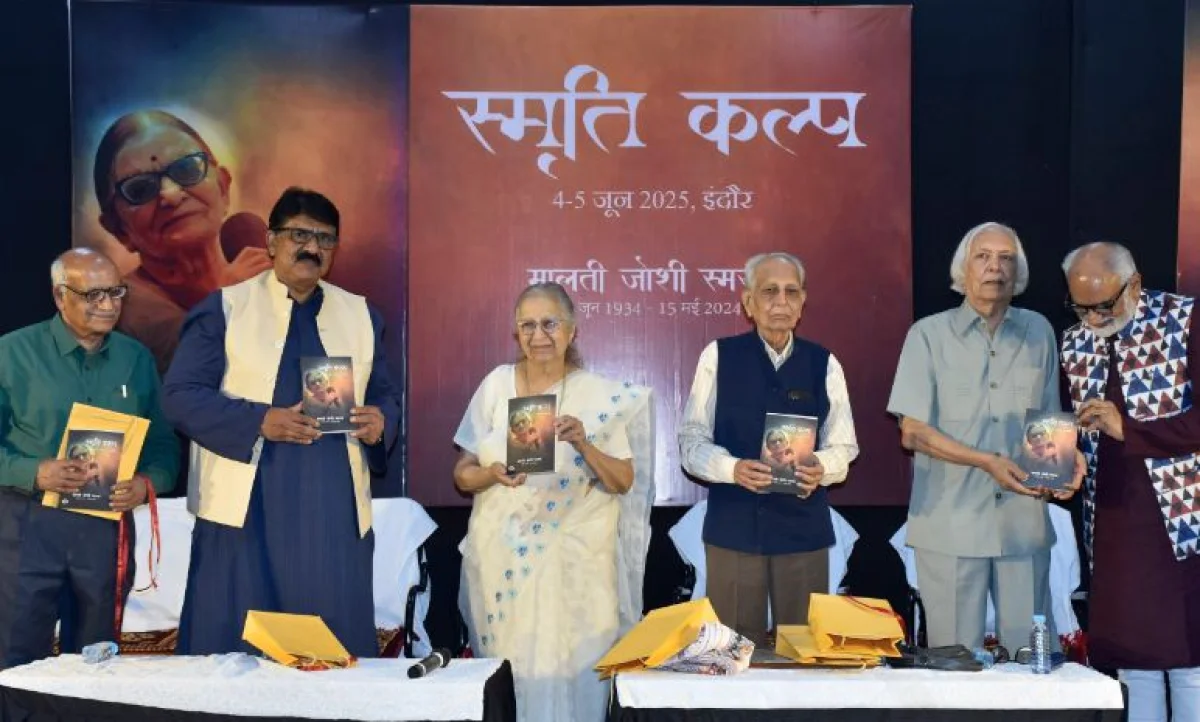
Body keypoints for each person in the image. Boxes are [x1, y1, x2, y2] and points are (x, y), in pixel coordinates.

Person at [162, 187, 401, 658]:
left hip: (331, 509)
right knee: (234, 648)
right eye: (299, 235)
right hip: (244, 508)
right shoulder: (224, 309)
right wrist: (259, 420)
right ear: (271, 241)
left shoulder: (360, 314)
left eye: (325, 239)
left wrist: (381, 423)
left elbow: (385, 396)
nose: (312, 247)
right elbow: (180, 396)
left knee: (328, 651)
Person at [454, 282, 653, 722]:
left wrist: (583, 443)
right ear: (515, 332)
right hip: (505, 562)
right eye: (527, 325)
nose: (539, 334)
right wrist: (492, 473)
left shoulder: (596, 396)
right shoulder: (496, 385)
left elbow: (623, 480)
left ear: (571, 330)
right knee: (513, 670)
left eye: (550, 323)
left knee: (577, 673)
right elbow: (462, 474)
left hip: (578, 567)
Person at [887, 222, 1083, 653]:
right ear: (964, 269)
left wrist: (1064, 466)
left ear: (1019, 272)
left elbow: (1049, 420)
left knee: (1030, 663)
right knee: (955, 666)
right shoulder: (927, 335)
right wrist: (986, 461)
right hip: (950, 525)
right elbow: (913, 433)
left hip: (1022, 524)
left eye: (1006, 258)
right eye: (983, 257)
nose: (996, 267)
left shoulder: (1039, 332)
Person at [0, 248, 178, 668]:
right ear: (60, 296)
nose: (108, 305)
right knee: (16, 655)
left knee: (97, 658)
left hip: (104, 530)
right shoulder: (11, 353)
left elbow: (165, 445)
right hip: (26, 523)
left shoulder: (136, 359)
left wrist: (146, 484)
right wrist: (34, 472)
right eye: (93, 294)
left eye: (116, 292)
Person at [679, 252, 859, 646]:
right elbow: (690, 441)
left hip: (803, 532)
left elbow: (844, 446)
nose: (781, 301)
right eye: (769, 291)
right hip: (734, 528)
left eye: (791, 292)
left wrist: (821, 467)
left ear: (803, 301)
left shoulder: (824, 363)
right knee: (732, 653)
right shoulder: (718, 356)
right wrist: (732, 469)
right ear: (748, 302)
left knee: (804, 650)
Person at [1060, 242, 1200, 721]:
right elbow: (1070, 425)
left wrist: (1131, 429)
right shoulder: (1073, 342)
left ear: (1134, 285)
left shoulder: (1184, 320)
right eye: (1081, 308)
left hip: (1182, 518)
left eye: (1103, 306)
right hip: (1114, 520)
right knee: (1133, 662)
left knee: (1188, 660)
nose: (1093, 319)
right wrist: (1070, 461)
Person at [92, 109, 272, 373]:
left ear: (223, 188)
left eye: (187, 169)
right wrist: (220, 310)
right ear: (119, 229)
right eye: (140, 188)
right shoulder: (117, 315)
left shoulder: (258, 265)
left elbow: (324, 391)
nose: (171, 195)